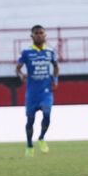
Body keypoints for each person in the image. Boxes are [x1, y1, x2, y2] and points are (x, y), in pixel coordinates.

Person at [16, 25, 59, 157]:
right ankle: (29, 145)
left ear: (45, 35)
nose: (39, 35)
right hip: (32, 93)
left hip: (46, 91)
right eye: (37, 33)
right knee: (30, 120)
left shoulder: (50, 52)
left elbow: (56, 66)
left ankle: (41, 137)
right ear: (32, 36)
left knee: (47, 113)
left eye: (41, 33)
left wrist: (55, 80)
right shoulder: (26, 52)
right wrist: (21, 75)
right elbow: (18, 68)